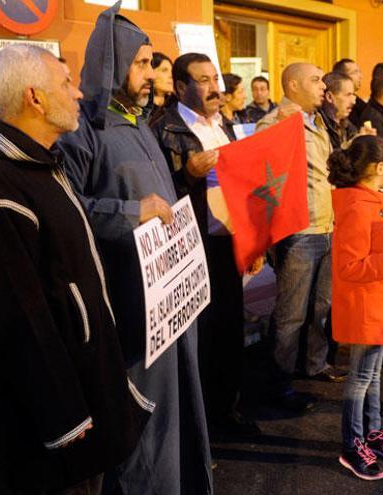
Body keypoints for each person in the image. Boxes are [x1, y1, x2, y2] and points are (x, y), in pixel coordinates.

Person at [0, 43, 144, 494]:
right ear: (35, 98)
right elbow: (17, 320)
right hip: (55, 429)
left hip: (86, 391)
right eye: (66, 83)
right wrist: (66, 420)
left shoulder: (40, 165)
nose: (77, 93)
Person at [57, 5, 212, 494]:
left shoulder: (139, 122)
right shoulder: (82, 129)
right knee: (142, 425)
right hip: (129, 309)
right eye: (143, 63)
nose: (152, 75)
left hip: (168, 304)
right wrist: (127, 213)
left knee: (179, 411)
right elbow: (66, 211)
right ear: (112, 60)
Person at [151, 53, 263, 437]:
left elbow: (243, 185)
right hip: (192, 248)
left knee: (229, 332)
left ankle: (225, 412)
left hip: (228, 243)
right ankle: (195, 424)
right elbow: (157, 194)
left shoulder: (224, 124)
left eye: (214, 78)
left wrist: (253, 239)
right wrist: (187, 175)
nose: (215, 87)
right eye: (203, 80)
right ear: (181, 87)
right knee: (199, 338)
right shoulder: (163, 130)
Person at [256, 62, 345, 409]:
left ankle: (315, 363)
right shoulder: (276, 120)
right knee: (291, 313)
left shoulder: (319, 120)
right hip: (299, 232)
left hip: (327, 225)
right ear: (292, 85)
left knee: (322, 305)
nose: (323, 85)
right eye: (315, 79)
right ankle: (279, 385)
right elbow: (262, 168)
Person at [328, 135, 383, 481]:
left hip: (377, 299)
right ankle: (352, 444)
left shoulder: (371, 201)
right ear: (378, 168)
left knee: (372, 375)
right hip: (366, 305)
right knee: (361, 377)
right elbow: (349, 267)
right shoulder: (358, 207)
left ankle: (372, 433)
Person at [320, 71, 366, 150]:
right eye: (348, 95)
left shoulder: (347, 124)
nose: (353, 102)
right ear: (329, 97)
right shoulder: (318, 125)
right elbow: (329, 160)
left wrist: (365, 140)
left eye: (353, 95)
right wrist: (351, 145)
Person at [333, 58, 366, 128]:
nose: (360, 77)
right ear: (342, 76)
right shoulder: (336, 106)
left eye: (359, 72)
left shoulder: (361, 105)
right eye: (355, 72)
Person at [148, 51, 174, 124]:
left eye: (172, 71)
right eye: (164, 70)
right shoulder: (139, 109)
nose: (171, 76)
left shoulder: (176, 106)